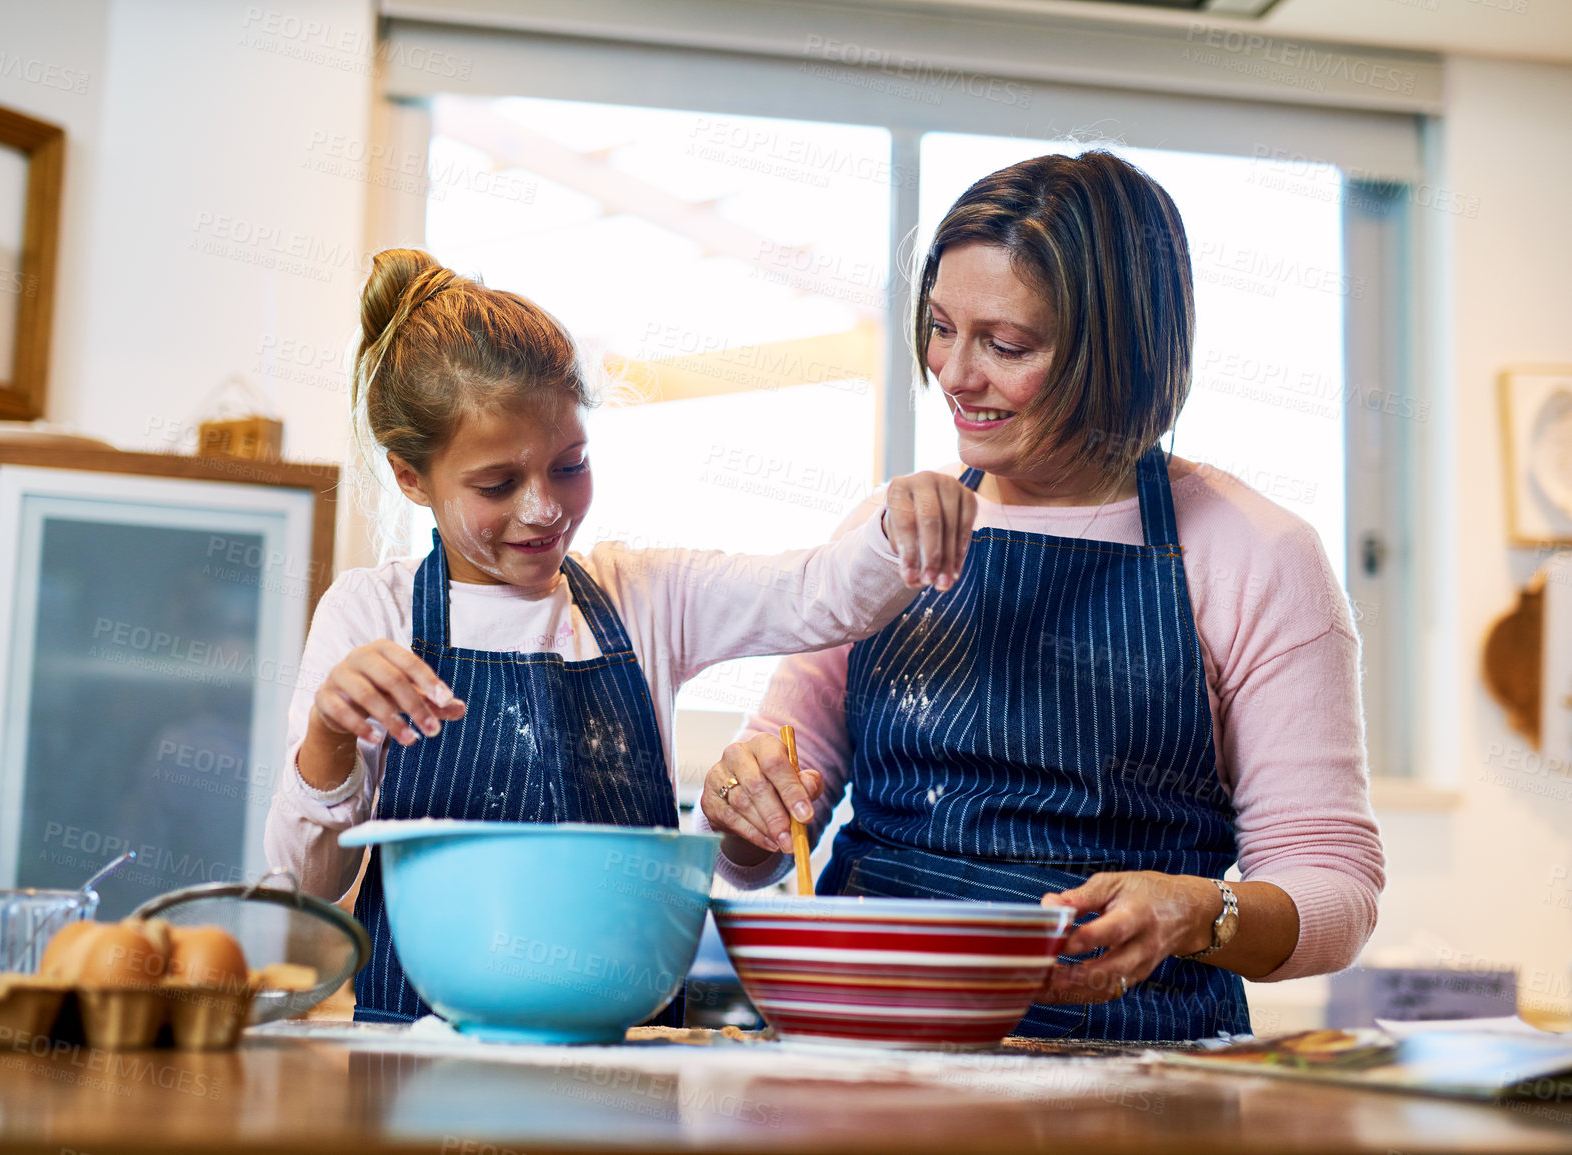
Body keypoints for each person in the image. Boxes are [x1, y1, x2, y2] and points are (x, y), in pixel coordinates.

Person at [696, 152, 1386, 1042]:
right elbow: (753, 847)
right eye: (940, 327)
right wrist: (741, 803)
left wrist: (1196, 912)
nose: (952, 372)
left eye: (1006, 345)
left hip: (1135, 1080)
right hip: (859, 1051)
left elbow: (1335, 890)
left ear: (1121, 351)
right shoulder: (886, 530)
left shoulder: (1255, 554)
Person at [264, 249, 977, 1024]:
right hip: (418, 1045)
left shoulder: (643, 596)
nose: (543, 509)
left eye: (569, 466)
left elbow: (818, 595)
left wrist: (900, 522)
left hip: (629, 1049)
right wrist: (330, 735)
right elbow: (308, 884)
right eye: (497, 484)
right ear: (411, 476)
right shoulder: (370, 614)